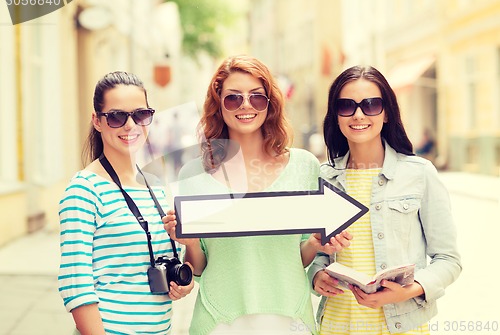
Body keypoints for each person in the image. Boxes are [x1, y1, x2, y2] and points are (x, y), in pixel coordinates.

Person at [163, 55, 352, 335]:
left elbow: (298, 257)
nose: (246, 105)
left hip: (290, 320)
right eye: (233, 98)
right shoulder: (193, 174)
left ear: (270, 104)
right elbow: (200, 268)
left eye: (257, 97)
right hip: (219, 323)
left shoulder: (304, 166)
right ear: (218, 104)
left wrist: (314, 244)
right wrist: (189, 243)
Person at [308, 65, 461, 334]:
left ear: (386, 112)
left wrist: (407, 291)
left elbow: (449, 259)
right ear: (336, 116)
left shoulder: (419, 174)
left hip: (400, 326)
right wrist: (317, 276)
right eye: (346, 106)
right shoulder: (324, 179)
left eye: (370, 105)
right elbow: (319, 254)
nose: (358, 115)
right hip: (336, 324)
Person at [58, 71, 194, 335]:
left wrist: (183, 281)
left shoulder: (155, 186)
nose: (130, 126)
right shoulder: (83, 189)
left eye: (140, 115)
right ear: (97, 121)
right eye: (117, 116)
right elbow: (76, 285)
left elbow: (169, 260)